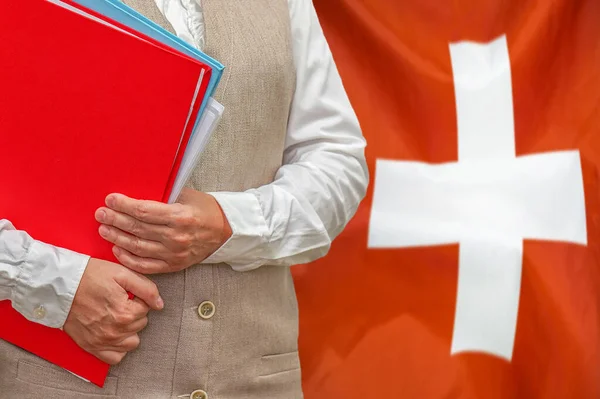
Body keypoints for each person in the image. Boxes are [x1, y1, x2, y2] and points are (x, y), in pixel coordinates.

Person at [0, 0, 368, 397]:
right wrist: (45, 282)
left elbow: (338, 160)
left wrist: (231, 224)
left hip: (255, 380)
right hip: (59, 379)